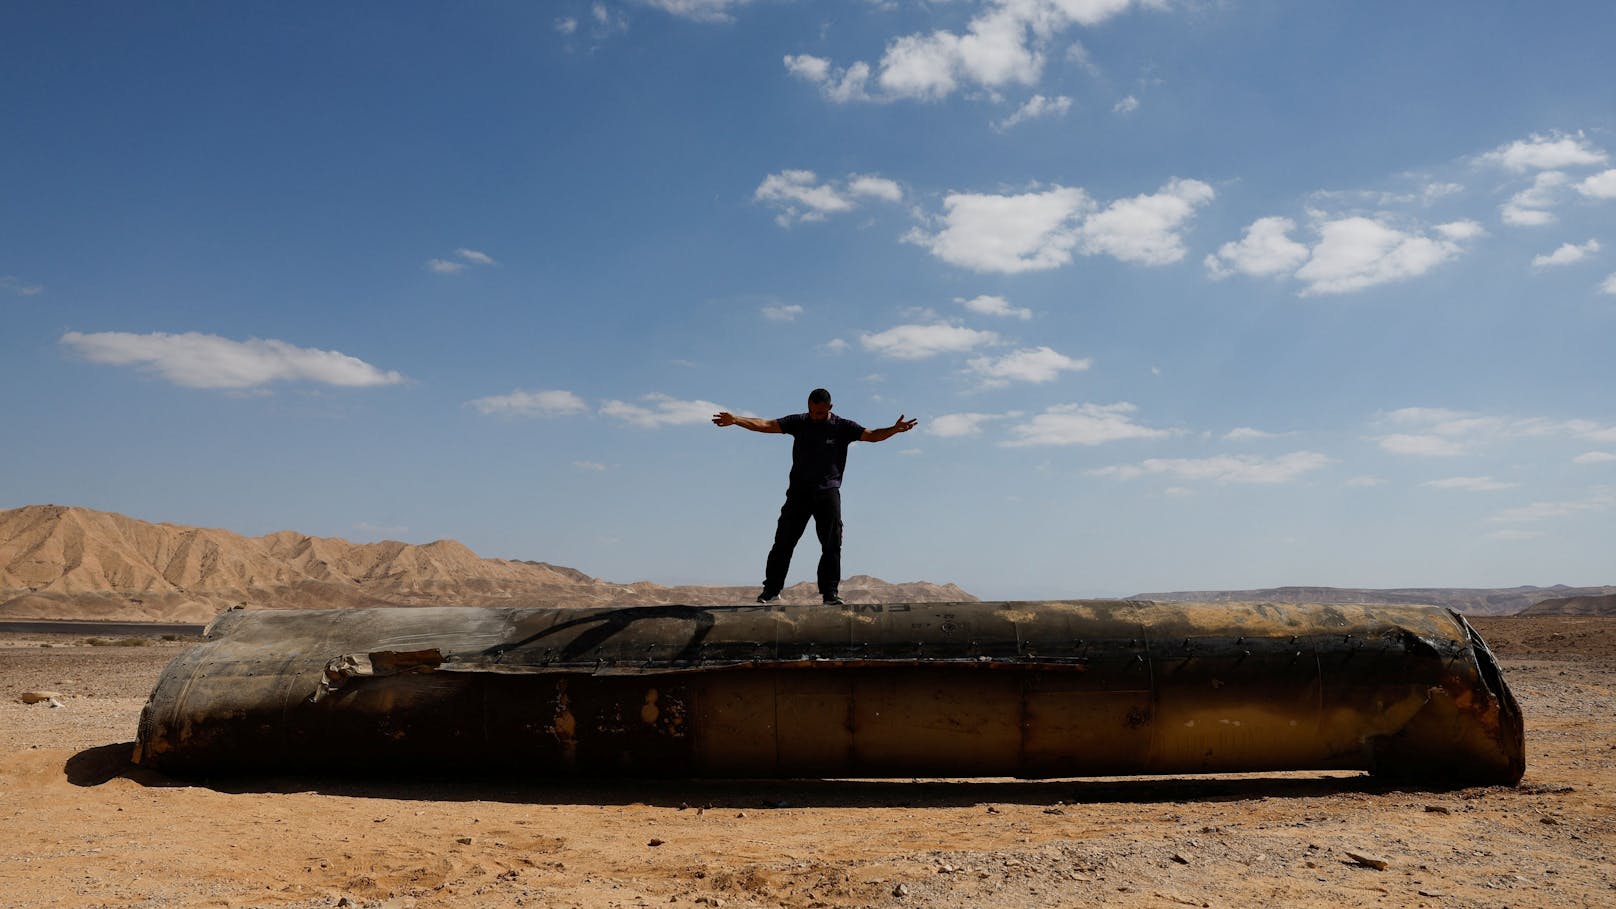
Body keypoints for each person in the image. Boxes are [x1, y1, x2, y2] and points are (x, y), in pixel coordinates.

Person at [712, 388, 918, 605]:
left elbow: (872, 436)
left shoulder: (843, 427)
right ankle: (771, 591)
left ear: (830, 407)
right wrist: (736, 419)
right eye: (812, 411)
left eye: (820, 413)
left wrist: (893, 430)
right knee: (783, 542)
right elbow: (766, 424)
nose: (815, 416)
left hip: (827, 494)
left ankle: (830, 594)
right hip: (798, 494)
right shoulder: (799, 422)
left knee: (831, 546)